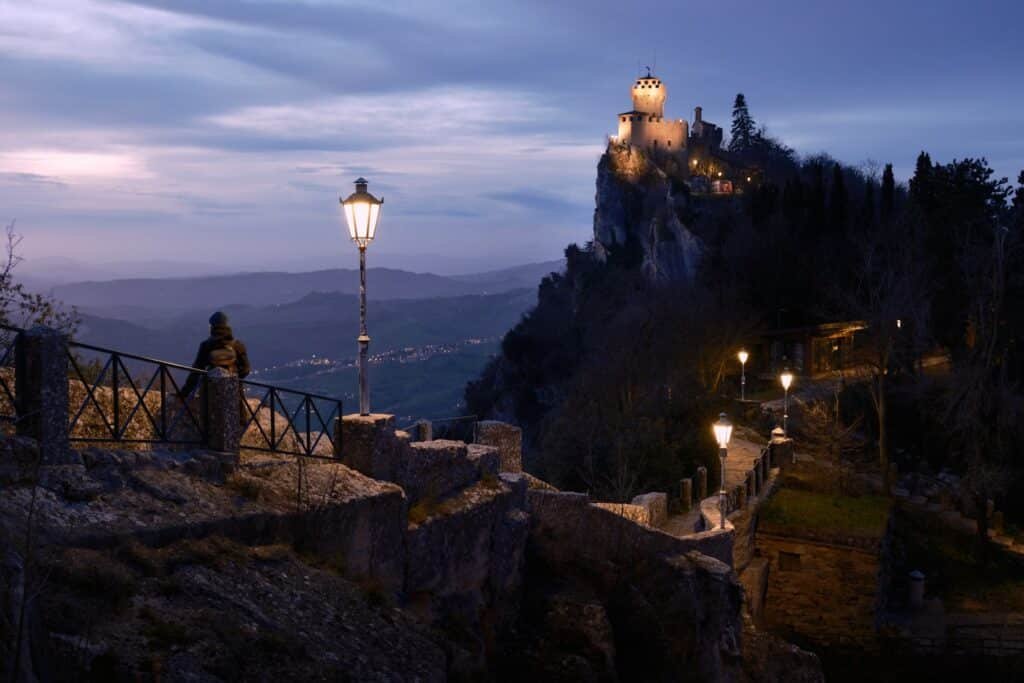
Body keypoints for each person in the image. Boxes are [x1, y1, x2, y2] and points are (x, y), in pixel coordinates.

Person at [181, 311, 251, 398]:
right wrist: (232, 378)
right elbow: (246, 369)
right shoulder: (237, 345)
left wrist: (184, 392)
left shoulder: (206, 345)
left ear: (212, 327)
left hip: (210, 391)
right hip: (233, 392)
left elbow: (196, 371)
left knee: (208, 410)